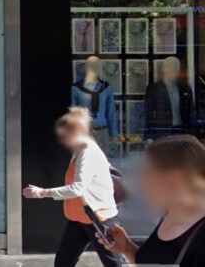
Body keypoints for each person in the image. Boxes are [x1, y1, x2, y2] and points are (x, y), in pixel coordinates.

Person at [22, 107, 122, 267]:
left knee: (114, 264)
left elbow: (77, 188)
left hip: (99, 218)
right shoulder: (80, 150)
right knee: (63, 262)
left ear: (76, 132)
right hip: (80, 217)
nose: (62, 141)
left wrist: (42, 192)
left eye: (64, 136)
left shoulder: (88, 152)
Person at [97, 135, 205, 266]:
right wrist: (127, 248)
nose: (140, 181)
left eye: (148, 173)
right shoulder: (169, 213)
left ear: (175, 177)